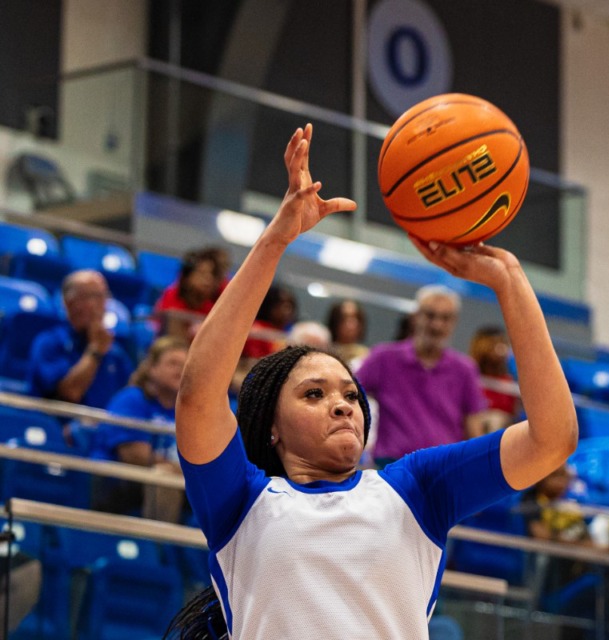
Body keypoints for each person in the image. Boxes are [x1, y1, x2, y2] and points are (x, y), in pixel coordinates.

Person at [167, 124, 577, 639]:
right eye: (314, 394)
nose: (343, 406)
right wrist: (276, 241)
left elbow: (551, 438)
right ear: (271, 427)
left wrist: (509, 278)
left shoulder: (415, 488)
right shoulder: (240, 503)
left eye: (349, 395)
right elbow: (199, 393)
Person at [356, 284, 488, 464]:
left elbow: (474, 427)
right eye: (430, 315)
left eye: (445, 318)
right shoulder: (384, 358)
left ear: (454, 322)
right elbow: (349, 394)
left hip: (442, 469)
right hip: (391, 467)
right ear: (415, 317)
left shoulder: (465, 369)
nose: (437, 325)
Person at [91, 336, 188, 522]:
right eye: (172, 363)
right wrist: (186, 473)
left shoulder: (188, 410)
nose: (180, 370)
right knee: (163, 476)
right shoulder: (132, 398)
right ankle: (157, 548)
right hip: (118, 482)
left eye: (185, 365)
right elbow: (133, 455)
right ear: (152, 369)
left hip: (179, 482)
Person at [28, 270, 134, 411]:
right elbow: (71, 393)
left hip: (104, 430)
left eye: (104, 296)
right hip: (55, 427)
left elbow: (129, 399)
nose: (101, 305)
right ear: (69, 303)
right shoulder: (50, 343)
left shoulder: (115, 353)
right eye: (92, 296)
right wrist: (95, 350)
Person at [153, 245, 229, 340]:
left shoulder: (211, 305)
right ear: (187, 276)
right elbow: (174, 340)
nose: (208, 280)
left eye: (212, 275)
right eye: (202, 273)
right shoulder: (172, 295)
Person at [469, 325, 521, 434]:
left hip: (501, 434)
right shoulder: (468, 375)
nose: (500, 348)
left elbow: (514, 416)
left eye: (503, 343)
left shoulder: (510, 382)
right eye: (494, 343)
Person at [243, 284, 298, 358]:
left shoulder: (292, 332)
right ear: (269, 305)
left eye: (290, 305)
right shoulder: (256, 332)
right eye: (282, 305)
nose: (287, 311)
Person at [327, 299, 369, 367]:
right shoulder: (324, 351)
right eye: (345, 318)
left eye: (356, 318)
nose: (351, 324)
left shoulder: (367, 357)